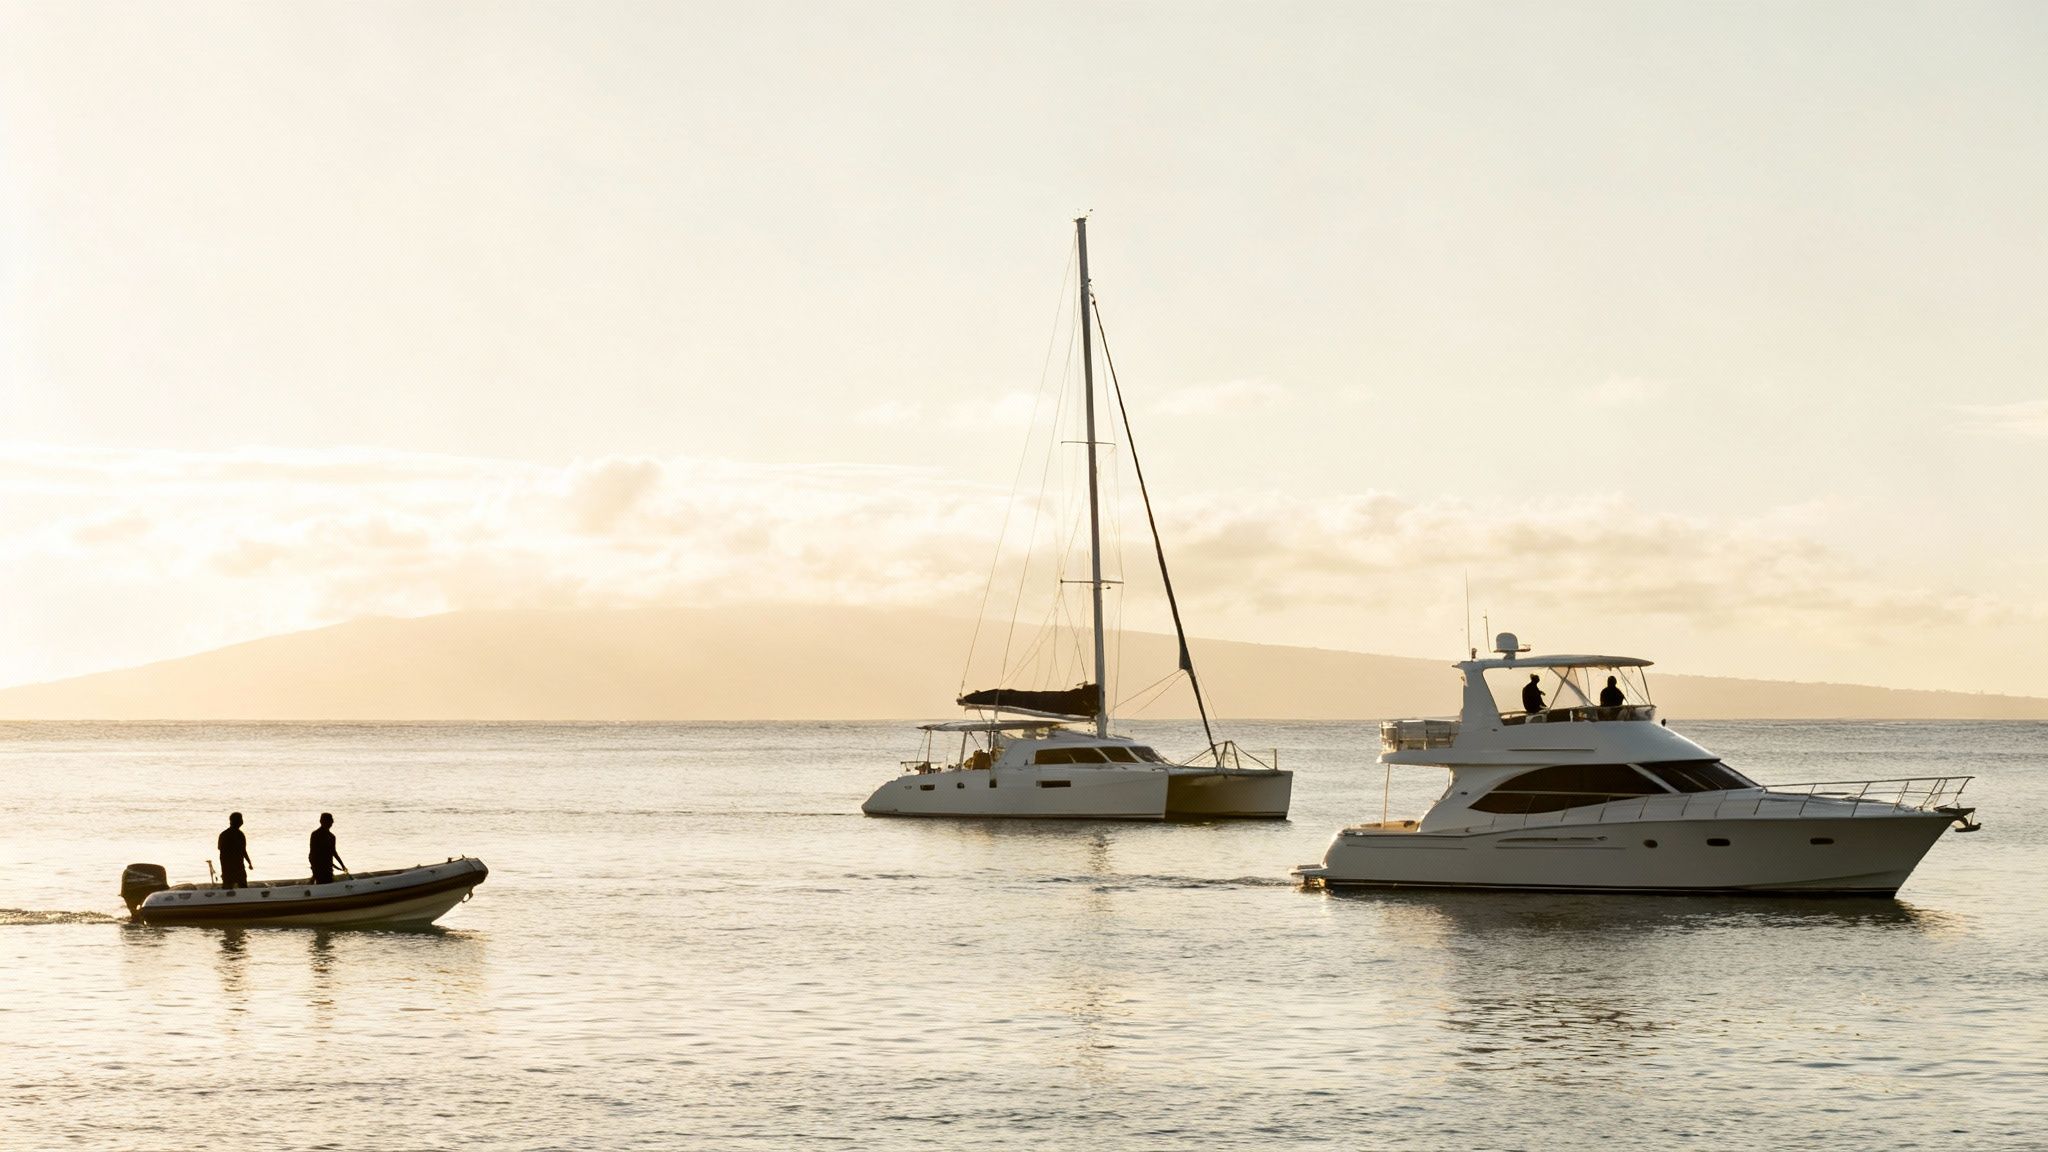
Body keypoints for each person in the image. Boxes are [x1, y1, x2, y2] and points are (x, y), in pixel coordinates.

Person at [309, 812, 348, 885]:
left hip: (328, 866)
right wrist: (314, 869)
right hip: (319, 866)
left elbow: (334, 852)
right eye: (328, 821)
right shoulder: (315, 834)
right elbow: (312, 853)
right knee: (322, 883)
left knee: (328, 882)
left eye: (331, 821)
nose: (331, 823)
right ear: (321, 822)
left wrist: (342, 866)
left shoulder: (332, 836)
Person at [218, 812, 252, 890]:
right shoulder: (240, 835)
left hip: (227, 866)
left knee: (227, 887)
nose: (242, 821)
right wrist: (249, 862)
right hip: (237, 866)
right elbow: (243, 850)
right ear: (239, 822)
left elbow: (220, 849)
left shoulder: (223, 834)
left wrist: (249, 862)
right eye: (241, 819)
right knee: (242, 886)